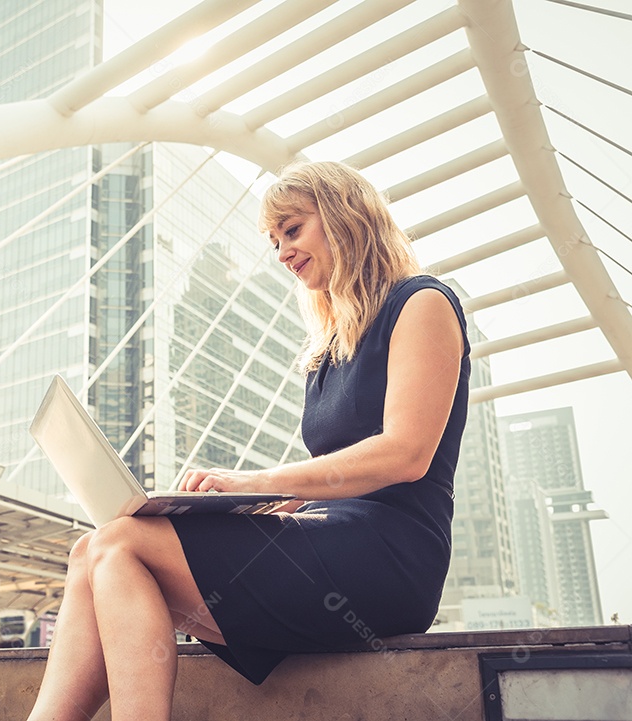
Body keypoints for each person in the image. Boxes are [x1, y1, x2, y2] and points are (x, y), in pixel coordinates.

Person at [25, 160, 470, 721]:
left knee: (122, 544)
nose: (282, 251)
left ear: (345, 216)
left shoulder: (422, 303)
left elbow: (405, 455)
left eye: (293, 229)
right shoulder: (329, 350)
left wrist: (257, 480)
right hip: (333, 536)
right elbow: (333, 475)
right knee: (91, 550)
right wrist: (249, 504)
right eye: (274, 239)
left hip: (392, 557)